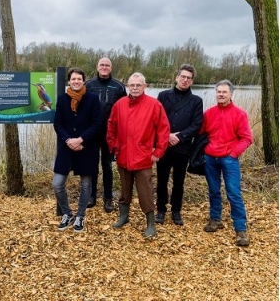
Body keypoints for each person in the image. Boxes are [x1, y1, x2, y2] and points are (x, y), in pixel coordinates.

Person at [107, 72, 170, 238]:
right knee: (125, 189)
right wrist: (114, 146)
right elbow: (111, 127)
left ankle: (150, 222)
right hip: (123, 154)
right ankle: (123, 216)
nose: (135, 88)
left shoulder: (154, 105)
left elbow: (164, 130)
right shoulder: (119, 105)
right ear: (128, 86)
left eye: (138, 85)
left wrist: (158, 151)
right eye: (132, 85)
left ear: (145, 86)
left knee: (145, 191)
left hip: (143, 156)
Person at [200, 79, 253, 247]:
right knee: (214, 190)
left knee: (233, 192)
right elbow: (201, 133)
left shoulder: (239, 114)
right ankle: (216, 219)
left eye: (224, 92)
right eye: (218, 92)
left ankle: (240, 228)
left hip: (229, 159)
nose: (221, 94)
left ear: (231, 94)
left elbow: (247, 138)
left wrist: (233, 154)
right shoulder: (208, 113)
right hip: (210, 158)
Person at [53, 67, 102, 233]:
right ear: (69, 81)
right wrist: (68, 140)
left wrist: (81, 140)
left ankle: (80, 216)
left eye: (79, 79)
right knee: (57, 184)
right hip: (66, 148)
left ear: (83, 80)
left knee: (86, 184)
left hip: (86, 148)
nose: (76, 81)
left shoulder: (93, 99)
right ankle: (67, 213)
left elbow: (97, 124)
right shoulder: (62, 99)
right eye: (73, 79)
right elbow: (58, 124)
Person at [155, 64, 203, 226]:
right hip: (164, 145)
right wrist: (166, 136)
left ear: (192, 81)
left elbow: (196, 124)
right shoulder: (163, 96)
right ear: (176, 77)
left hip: (182, 147)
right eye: (182, 76)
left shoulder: (196, 101)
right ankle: (161, 209)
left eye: (188, 78)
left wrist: (180, 136)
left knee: (179, 181)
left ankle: (176, 211)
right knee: (161, 180)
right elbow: (156, 119)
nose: (185, 80)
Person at [85, 57, 127, 213]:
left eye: (107, 65)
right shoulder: (88, 85)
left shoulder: (119, 87)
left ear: (111, 67)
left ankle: (108, 198)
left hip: (110, 134)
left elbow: (125, 111)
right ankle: (92, 195)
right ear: (97, 67)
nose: (104, 67)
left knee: (108, 166)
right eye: (102, 65)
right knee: (92, 165)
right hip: (92, 133)